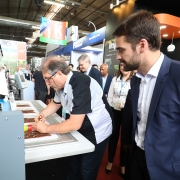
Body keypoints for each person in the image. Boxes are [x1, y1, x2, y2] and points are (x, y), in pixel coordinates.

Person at [113, 10, 180, 180]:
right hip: (136, 161)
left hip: (167, 169)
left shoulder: (177, 74)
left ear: (142, 45)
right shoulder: (136, 80)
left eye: (121, 50)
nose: (118, 56)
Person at [32, 56, 113, 180]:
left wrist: (46, 128)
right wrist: (42, 114)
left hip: (96, 132)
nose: (47, 83)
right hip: (81, 128)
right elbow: (56, 103)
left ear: (59, 73)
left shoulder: (81, 84)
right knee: (74, 165)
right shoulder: (61, 85)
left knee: (87, 170)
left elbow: (74, 124)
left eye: (48, 79)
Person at [105, 63, 132, 174]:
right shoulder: (115, 79)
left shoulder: (135, 80)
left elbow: (134, 97)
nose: (123, 68)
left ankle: (122, 164)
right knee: (113, 137)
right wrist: (113, 106)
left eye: (126, 65)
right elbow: (110, 95)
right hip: (115, 111)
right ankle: (110, 161)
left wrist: (124, 105)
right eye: (121, 65)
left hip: (127, 112)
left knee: (125, 139)